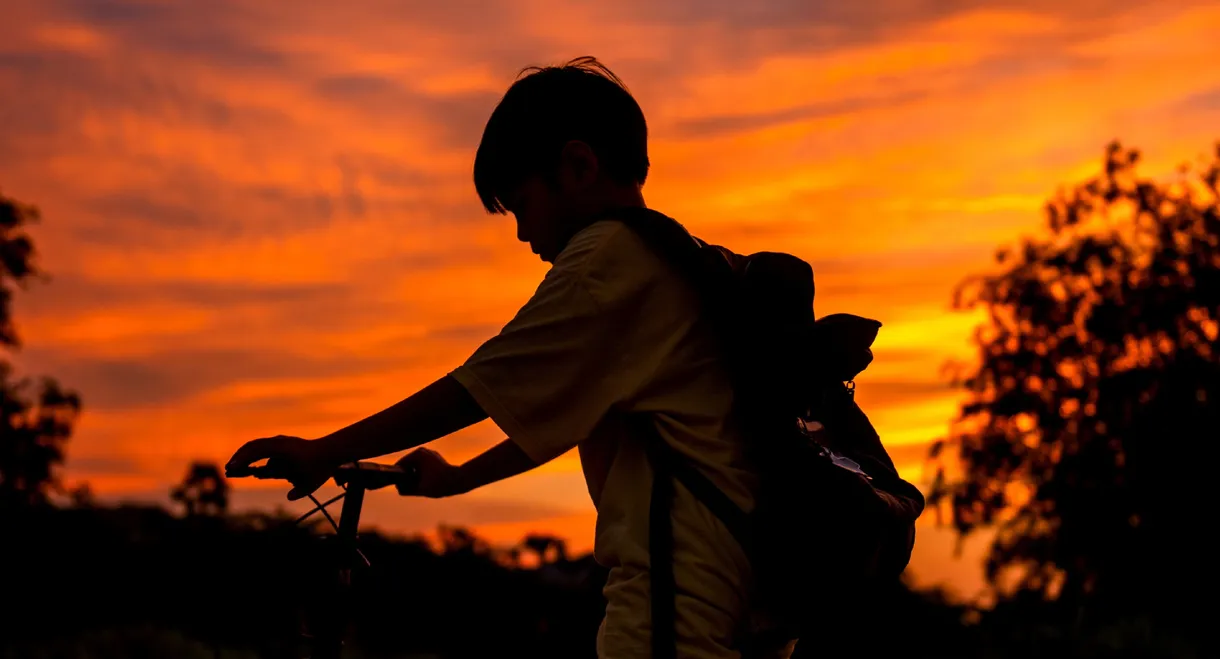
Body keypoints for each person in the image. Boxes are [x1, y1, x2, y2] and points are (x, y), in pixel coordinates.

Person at [227, 56, 797, 659]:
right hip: (746, 596)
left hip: (674, 602)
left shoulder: (608, 259)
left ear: (578, 167)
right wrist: (460, 478)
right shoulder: (680, 262)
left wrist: (325, 450)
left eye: (522, 204)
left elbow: (479, 387)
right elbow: (558, 416)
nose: (524, 235)